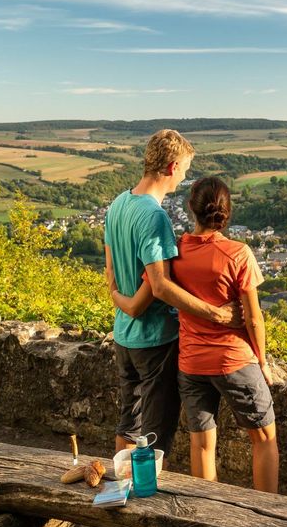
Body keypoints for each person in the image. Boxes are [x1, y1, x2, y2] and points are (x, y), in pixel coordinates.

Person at [112, 176, 278, 493]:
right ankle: (266, 511)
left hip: (190, 363)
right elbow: (254, 318)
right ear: (227, 213)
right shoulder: (238, 254)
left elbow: (157, 286)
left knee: (202, 443)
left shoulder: (174, 252)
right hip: (233, 360)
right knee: (264, 437)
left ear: (191, 208)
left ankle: (205, 511)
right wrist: (263, 360)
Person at [104, 130, 240, 460]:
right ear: (172, 166)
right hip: (154, 340)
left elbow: (111, 273)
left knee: (128, 426)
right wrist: (217, 314)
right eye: (184, 170)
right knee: (153, 436)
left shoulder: (119, 204)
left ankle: (119, 496)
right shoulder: (154, 217)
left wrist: (121, 301)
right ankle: (143, 503)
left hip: (123, 336)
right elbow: (160, 285)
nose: (183, 179)